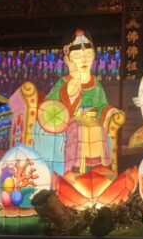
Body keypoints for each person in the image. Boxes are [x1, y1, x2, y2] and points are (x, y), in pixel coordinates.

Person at [46, 29, 116, 173]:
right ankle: (74, 168)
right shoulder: (64, 82)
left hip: (93, 119)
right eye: (77, 56)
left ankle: (100, 166)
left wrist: (110, 112)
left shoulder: (96, 85)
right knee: (80, 128)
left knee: (97, 129)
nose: (84, 60)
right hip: (71, 121)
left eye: (88, 55)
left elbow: (102, 105)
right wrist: (69, 94)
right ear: (68, 59)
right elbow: (49, 106)